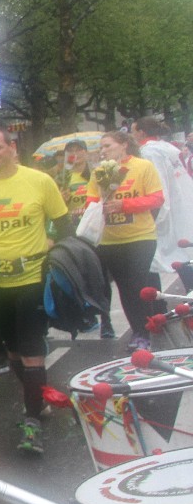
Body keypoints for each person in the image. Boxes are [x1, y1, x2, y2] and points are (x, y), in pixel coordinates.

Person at [0, 129, 73, 455]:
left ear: (12, 148)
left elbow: (64, 224)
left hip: (31, 280)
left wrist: (50, 245)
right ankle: (38, 400)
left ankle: (32, 422)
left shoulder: (39, 181)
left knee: (31, 348)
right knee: (12, 351)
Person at [88, 130, 166, 351]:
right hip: (110, 240)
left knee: (137, 285)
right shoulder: (99, 172)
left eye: (108, 145)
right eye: (101, 147)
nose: (103, 151)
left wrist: (124, 205)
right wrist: (95, 207)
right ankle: (139, 330)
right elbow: (91, 199)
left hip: (140, 237)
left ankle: (147, 330)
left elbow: (157, 198)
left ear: (124, 145)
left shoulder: (143, 166)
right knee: (124, 289)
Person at [133, 116, 193, 276]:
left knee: (174, 252)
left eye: (133, 131)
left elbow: (159, 182)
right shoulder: (164, 146)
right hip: (183, 198)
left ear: (141, 132)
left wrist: (158, 214)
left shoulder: (149, 152)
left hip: (169, 204)